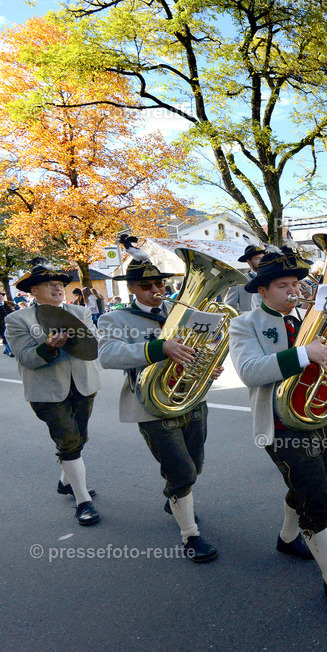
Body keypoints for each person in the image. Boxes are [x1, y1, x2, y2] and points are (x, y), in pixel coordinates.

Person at [228, 244, 327, 608]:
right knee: (317, 498)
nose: (294, 290)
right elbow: (248, 372)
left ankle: (287, 540)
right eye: (283, 285)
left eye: (295, 283)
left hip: (320, 415)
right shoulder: (245, 325)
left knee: (306, 484)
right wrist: (305, 353)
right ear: (262, 291)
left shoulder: (309, 318)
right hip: (282, 424)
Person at [96, 236, 218, 563]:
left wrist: (208, 367)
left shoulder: (185, 311)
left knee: (195, 463)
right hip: (151, 405)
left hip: (191, 398)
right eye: (146, 285)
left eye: (158, 283)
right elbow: (107, 356)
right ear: (132, 289)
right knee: (181, 472)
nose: (155, 290)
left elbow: (205, 347)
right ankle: (190, 536)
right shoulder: (114, 319)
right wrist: (157, 348)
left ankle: (177, 497)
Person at [4, 261, 102, 526]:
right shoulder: (16, 319)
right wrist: (47, 347)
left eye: (60, 284)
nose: (58, 288)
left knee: (80, 439)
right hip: (47, 392)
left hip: (84, 385)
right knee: (69, 442)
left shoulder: (80, 311)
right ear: (34, 290)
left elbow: (94, 344)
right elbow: (25, 358)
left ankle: (65, 482)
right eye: (50, 285)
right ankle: (83, 502)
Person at [224, 244, 265, 312]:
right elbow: (229, 308)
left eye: (262, 258)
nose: (261, 261)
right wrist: (243, 314)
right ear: (249, 262)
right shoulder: (239, 281)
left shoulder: (272, 279)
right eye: (257, 258)